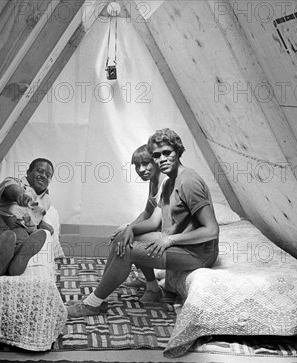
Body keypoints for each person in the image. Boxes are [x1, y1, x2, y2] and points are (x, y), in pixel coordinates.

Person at [67, 129, 219, 317]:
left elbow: (211, 230)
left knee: (127, 252)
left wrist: (169, 240)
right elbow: (155, 219)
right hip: (179, 243)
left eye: (167, 152)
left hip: (198, 253)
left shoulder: (188, 181)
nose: (161, 159)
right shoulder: (168, 182)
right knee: (124, 240)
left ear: (178, 151)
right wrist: (130, 228)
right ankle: (103, 297)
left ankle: (91, 305)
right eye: (156, 155)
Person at [0, 158, 55, 277]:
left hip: (18, 226)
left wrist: (41, 224)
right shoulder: (15, 181)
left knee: (21, 236)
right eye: (39, 171)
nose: (44, 176)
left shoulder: (46, 201)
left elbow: (34, 218)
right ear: (28, 172)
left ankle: (13, 261)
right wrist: (20, 195)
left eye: (48, 175)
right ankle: (2, 254)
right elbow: (11, 189)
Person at [111, 145, 166, 292]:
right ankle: (147, 279)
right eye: (137, 165)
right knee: (122, 232)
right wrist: (128, 226)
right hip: (160, 228)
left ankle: (152, 287)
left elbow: (155, 222)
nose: (141, 169)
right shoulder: (153, 181)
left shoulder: (165, 182)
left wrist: (130, 229)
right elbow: (147, 212)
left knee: (130, 239)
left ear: (156, 161)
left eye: (146, 163)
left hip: (169, 233)